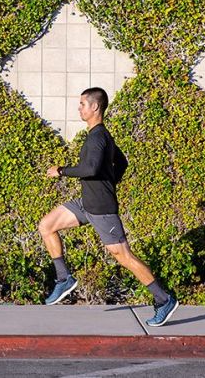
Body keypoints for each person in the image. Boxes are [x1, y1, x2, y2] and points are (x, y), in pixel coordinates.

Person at [38, 87, 179, 327]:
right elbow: (121, 162)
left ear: (95, 107)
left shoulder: (97, 137)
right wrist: (109, 181)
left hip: (101, 208)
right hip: (86, 203)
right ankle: (63, 278)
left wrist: (61, 171)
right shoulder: (100, 135)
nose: (79, 108)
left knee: (123, 256)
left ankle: (163, 299)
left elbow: (91, 169)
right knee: (47, 225)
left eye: (83, 104)